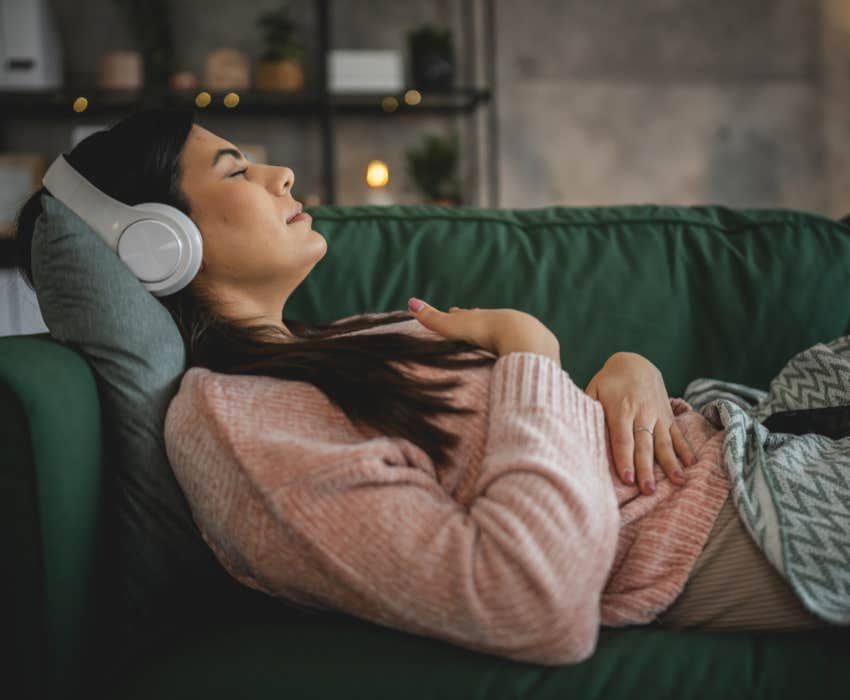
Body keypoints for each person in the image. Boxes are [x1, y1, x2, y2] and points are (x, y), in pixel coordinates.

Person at [12, 108, 834, 668]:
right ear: (164, 244)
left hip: (756, 433)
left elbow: (545, 431)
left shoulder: (351, 340)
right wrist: (528, 350)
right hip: (747, 518)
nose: (283, 174)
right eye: (235, 170)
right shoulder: (234, 425)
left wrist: (634, 372)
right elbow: (528, 601)